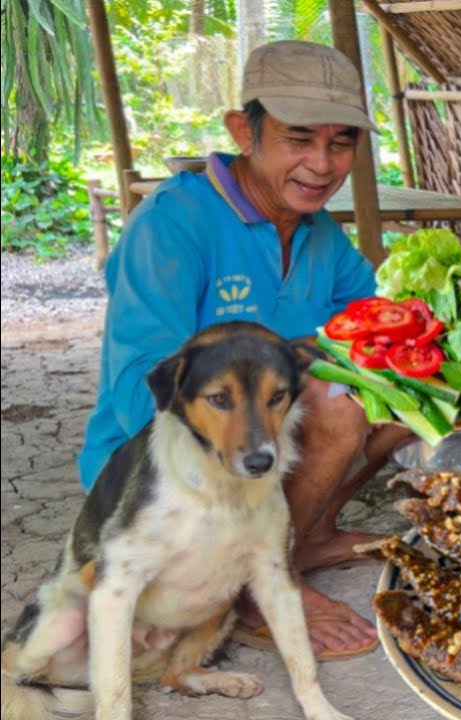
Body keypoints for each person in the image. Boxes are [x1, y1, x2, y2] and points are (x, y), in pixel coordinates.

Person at [77, 40, 406, 660]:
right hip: (156, 477)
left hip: (251, 464)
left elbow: (377, 322)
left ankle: (303, 536)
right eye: (298, 138)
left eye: (341, 143)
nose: (322, 163)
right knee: (336, 402)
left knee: (414, 392)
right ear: (242, 131)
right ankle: (257, 584)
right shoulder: (172, 224)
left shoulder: (317, 231)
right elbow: (136, 397)